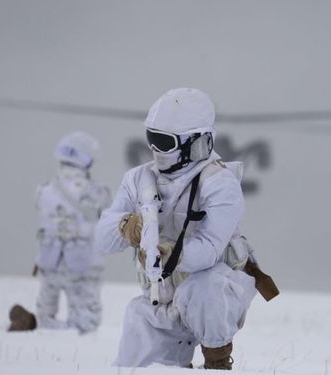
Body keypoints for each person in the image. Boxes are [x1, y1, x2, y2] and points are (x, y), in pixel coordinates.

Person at [94, 88, 277, 370]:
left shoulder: (219, 183)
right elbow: (102, 240)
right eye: (152, 138)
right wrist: (126, 227)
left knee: (204, 288)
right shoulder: (139, 179)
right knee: (131, 364)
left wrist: (170, 255)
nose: (155, 150)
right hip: (160, 297)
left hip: (216, 294)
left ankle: (217, 360)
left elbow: (209, 249)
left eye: (164, 142)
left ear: (196, 142)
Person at [8, 131, 111, 334]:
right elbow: (107, 207)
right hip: (82, 263)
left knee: (46, 313)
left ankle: (38, 328)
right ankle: (61, 334)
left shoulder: (45, 189)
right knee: (86, 323)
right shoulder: (94, 191)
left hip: (49, 259)